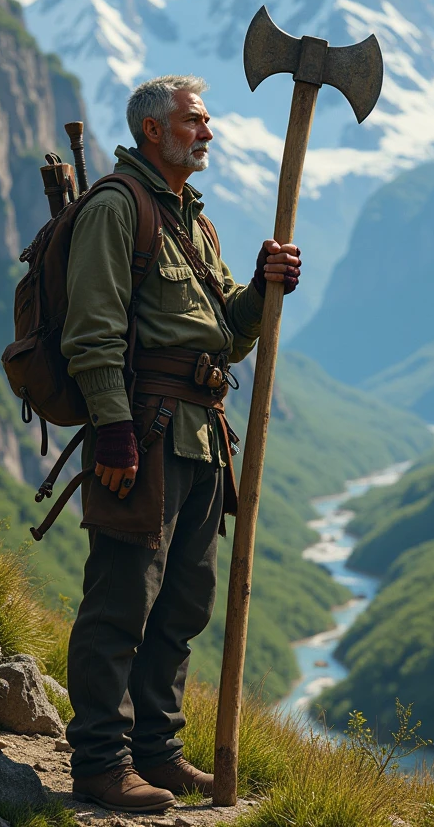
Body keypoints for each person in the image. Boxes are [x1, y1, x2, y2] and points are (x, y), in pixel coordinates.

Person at [61, 74, 302, 812]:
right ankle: (101, 761)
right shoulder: (115, 209)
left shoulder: (194, 221)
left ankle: (157, 754)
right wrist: (115, 433)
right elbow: (91, 334)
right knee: (122, 600)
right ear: (152, 132)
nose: (207, 132)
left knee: (182, 603)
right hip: (146, 433)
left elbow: (226, 337)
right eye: (195, 121)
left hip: (201, 438)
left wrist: (263, 289)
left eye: (207, 121)